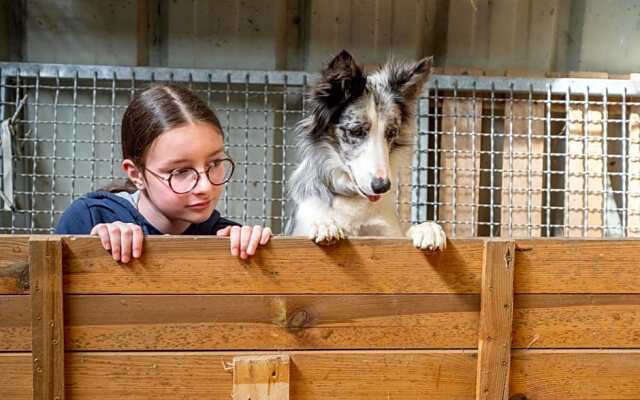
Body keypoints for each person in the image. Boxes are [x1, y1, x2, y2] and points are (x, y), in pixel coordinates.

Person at [55, 84, 271, 262]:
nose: (205, 187)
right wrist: (93, 247)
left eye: (214, 164)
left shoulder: (225, 237)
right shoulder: (90, 219)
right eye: (181, 171)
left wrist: (256, 252)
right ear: (136, 174)